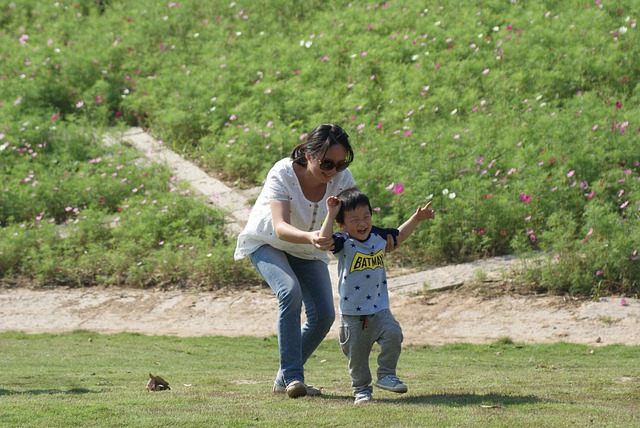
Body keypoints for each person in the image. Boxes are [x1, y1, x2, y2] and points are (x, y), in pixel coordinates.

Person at [234, 123, 358, 399]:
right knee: (289, 291)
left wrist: (382, 237)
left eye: (341, 163)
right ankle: (293, 377)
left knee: (324, 315)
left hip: (308, 248)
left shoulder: (342, 178)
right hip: (267, 242)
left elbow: (353, 219)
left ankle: (283, 379)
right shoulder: (283, 172)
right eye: (327, 162)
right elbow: (280, 227)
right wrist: (312, 236)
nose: (333, 170)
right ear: (308, 153)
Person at [319, 187, 435, 405]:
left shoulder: (378, 236)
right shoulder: (342, 242)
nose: (362, 223)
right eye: (354, 219)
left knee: (394, 334)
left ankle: (386, 375)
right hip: (353, 314)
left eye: (366, 217)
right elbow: (324, 240)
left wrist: (417, 218)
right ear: (342, 225)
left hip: (379, 307)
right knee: (358, 359)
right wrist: (331, 214)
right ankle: (362, 391)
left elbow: (399, 236)